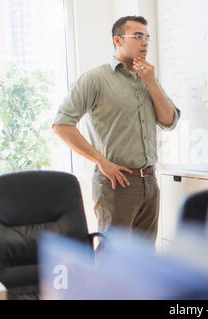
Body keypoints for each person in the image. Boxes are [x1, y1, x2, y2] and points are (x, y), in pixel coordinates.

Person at [53, 16, 180, 239]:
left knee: (144, 261)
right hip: (116, 183)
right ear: (118, 40)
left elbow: (169, 121)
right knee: (113, 260)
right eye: (138, 36)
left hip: (150, 181)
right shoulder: (95, 79)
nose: (145, 43)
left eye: (147, 37)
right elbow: (62, 125)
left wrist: (150, 83)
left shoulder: (148, 78)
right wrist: (101, 162)